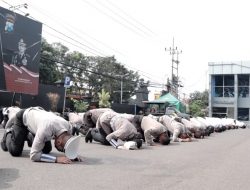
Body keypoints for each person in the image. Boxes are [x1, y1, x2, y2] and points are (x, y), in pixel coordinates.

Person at [1, 107, 81, 164]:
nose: (62, 151)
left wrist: (72, 154)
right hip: (23, 118)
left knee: (46, 150)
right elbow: (34, 155)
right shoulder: (45, 129)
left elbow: (69, 142)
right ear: (59, 142)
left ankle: (30, 136)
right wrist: (56, 159)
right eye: (61, 149)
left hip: (38, 119)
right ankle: (9, 132)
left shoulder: (68, 127)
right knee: (15, 151)